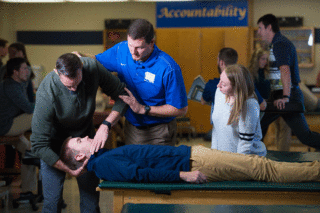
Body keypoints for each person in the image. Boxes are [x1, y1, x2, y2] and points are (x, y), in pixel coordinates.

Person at [30, 53, 128, 213]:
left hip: (84, 138)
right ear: (57, 72)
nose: (74, 89)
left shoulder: (92, 67)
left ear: (81, 67)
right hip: (53, 145)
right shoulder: (47, 91)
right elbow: (38, 144)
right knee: (52, 203)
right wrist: (68, 170)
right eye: (69, 87)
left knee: (91, 202)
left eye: (77, 83)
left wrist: (106, 125)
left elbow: (123, 95)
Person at [76, 19, 188, 146]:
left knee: (156, 165)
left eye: (139, 48)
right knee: (135, 164)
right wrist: (80, 57)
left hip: (160, 130)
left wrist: (143, 109)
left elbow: (180, 109)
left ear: (151, 43)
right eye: (130, 46)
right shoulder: (121, 50)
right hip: (132, 127)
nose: (133, 52)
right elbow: (96, 62)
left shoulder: (168, 68)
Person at [60, 136, 320, 184]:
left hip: (192, 156)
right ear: (81, 155)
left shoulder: (103, 157)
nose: (85, 136)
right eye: (79, 141)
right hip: (193, 163)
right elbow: (140, 174)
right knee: (261, 169)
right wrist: (183, 176)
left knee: (259, 167)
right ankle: (315, 172)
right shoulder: (103, 164)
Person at [257, 13, 320, 150]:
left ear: (269, 28)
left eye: (260, 28)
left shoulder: (280, 44)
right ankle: (253, 154)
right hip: (283, 95)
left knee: (260, 126)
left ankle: (250, 155)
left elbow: (285, 70)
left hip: (287, 96)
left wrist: (285, 97)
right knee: (304, 136)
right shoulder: (278, 43)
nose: (259, 32)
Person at [0, 57, 37, 197]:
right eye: (24, 68)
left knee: (29, 149)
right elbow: (28, 108)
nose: (28, 71)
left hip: (9, 124)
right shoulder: (11, 86)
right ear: (15, 72)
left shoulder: (16, 84)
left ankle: (27, 191)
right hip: (5, 126)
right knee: (38, 115)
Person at [211, 64, 267, 156]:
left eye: (223, 84)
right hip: (225, 158)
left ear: (236, 87)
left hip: (246, 159)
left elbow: (245, 146)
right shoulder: (219, 93)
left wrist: (235, 168)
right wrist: (214, 154)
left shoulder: (250, 104)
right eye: (219, 80)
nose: (218, 85)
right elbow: (216, 128)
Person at [249, 47, 291, 151]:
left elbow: (274, 87)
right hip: (256, 108)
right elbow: (252, 90)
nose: (265, 62)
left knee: (263, 134)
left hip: (267, 106)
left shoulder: (266, 72)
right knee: (257, 136)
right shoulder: (250, 73)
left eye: (266, 59)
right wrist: (260, 101)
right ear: (256, 59)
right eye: (262, 59)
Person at [201, 48, 267, 111]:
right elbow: (262, 106)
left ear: (221, 63)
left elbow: (203, 101)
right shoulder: (247, 82)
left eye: (217, 59)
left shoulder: (211, 85)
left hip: (220, 122)